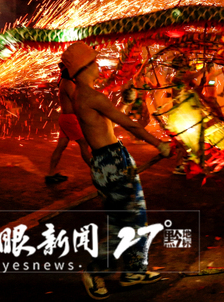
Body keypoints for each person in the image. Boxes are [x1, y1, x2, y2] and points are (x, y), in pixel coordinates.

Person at [61, 42, 172, 300]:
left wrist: (126, 104)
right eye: (94, 62)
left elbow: (108, 123)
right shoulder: (91, 97)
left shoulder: (82, 95)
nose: (99, 66)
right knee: (123, 224)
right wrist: (159, 144)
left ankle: (134, 271)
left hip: (111, 159)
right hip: (112, 163)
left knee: (136, 217)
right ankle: (95, 271)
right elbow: (131, 126)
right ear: (85, 67)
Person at [45, 62, 92, 184]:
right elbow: (76, 100)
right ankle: (98, 172)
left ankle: (50, 174)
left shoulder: (65, 82)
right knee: (84, 143)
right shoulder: (68, 83)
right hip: (70, 119)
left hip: (66, 118)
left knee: (61, 146)